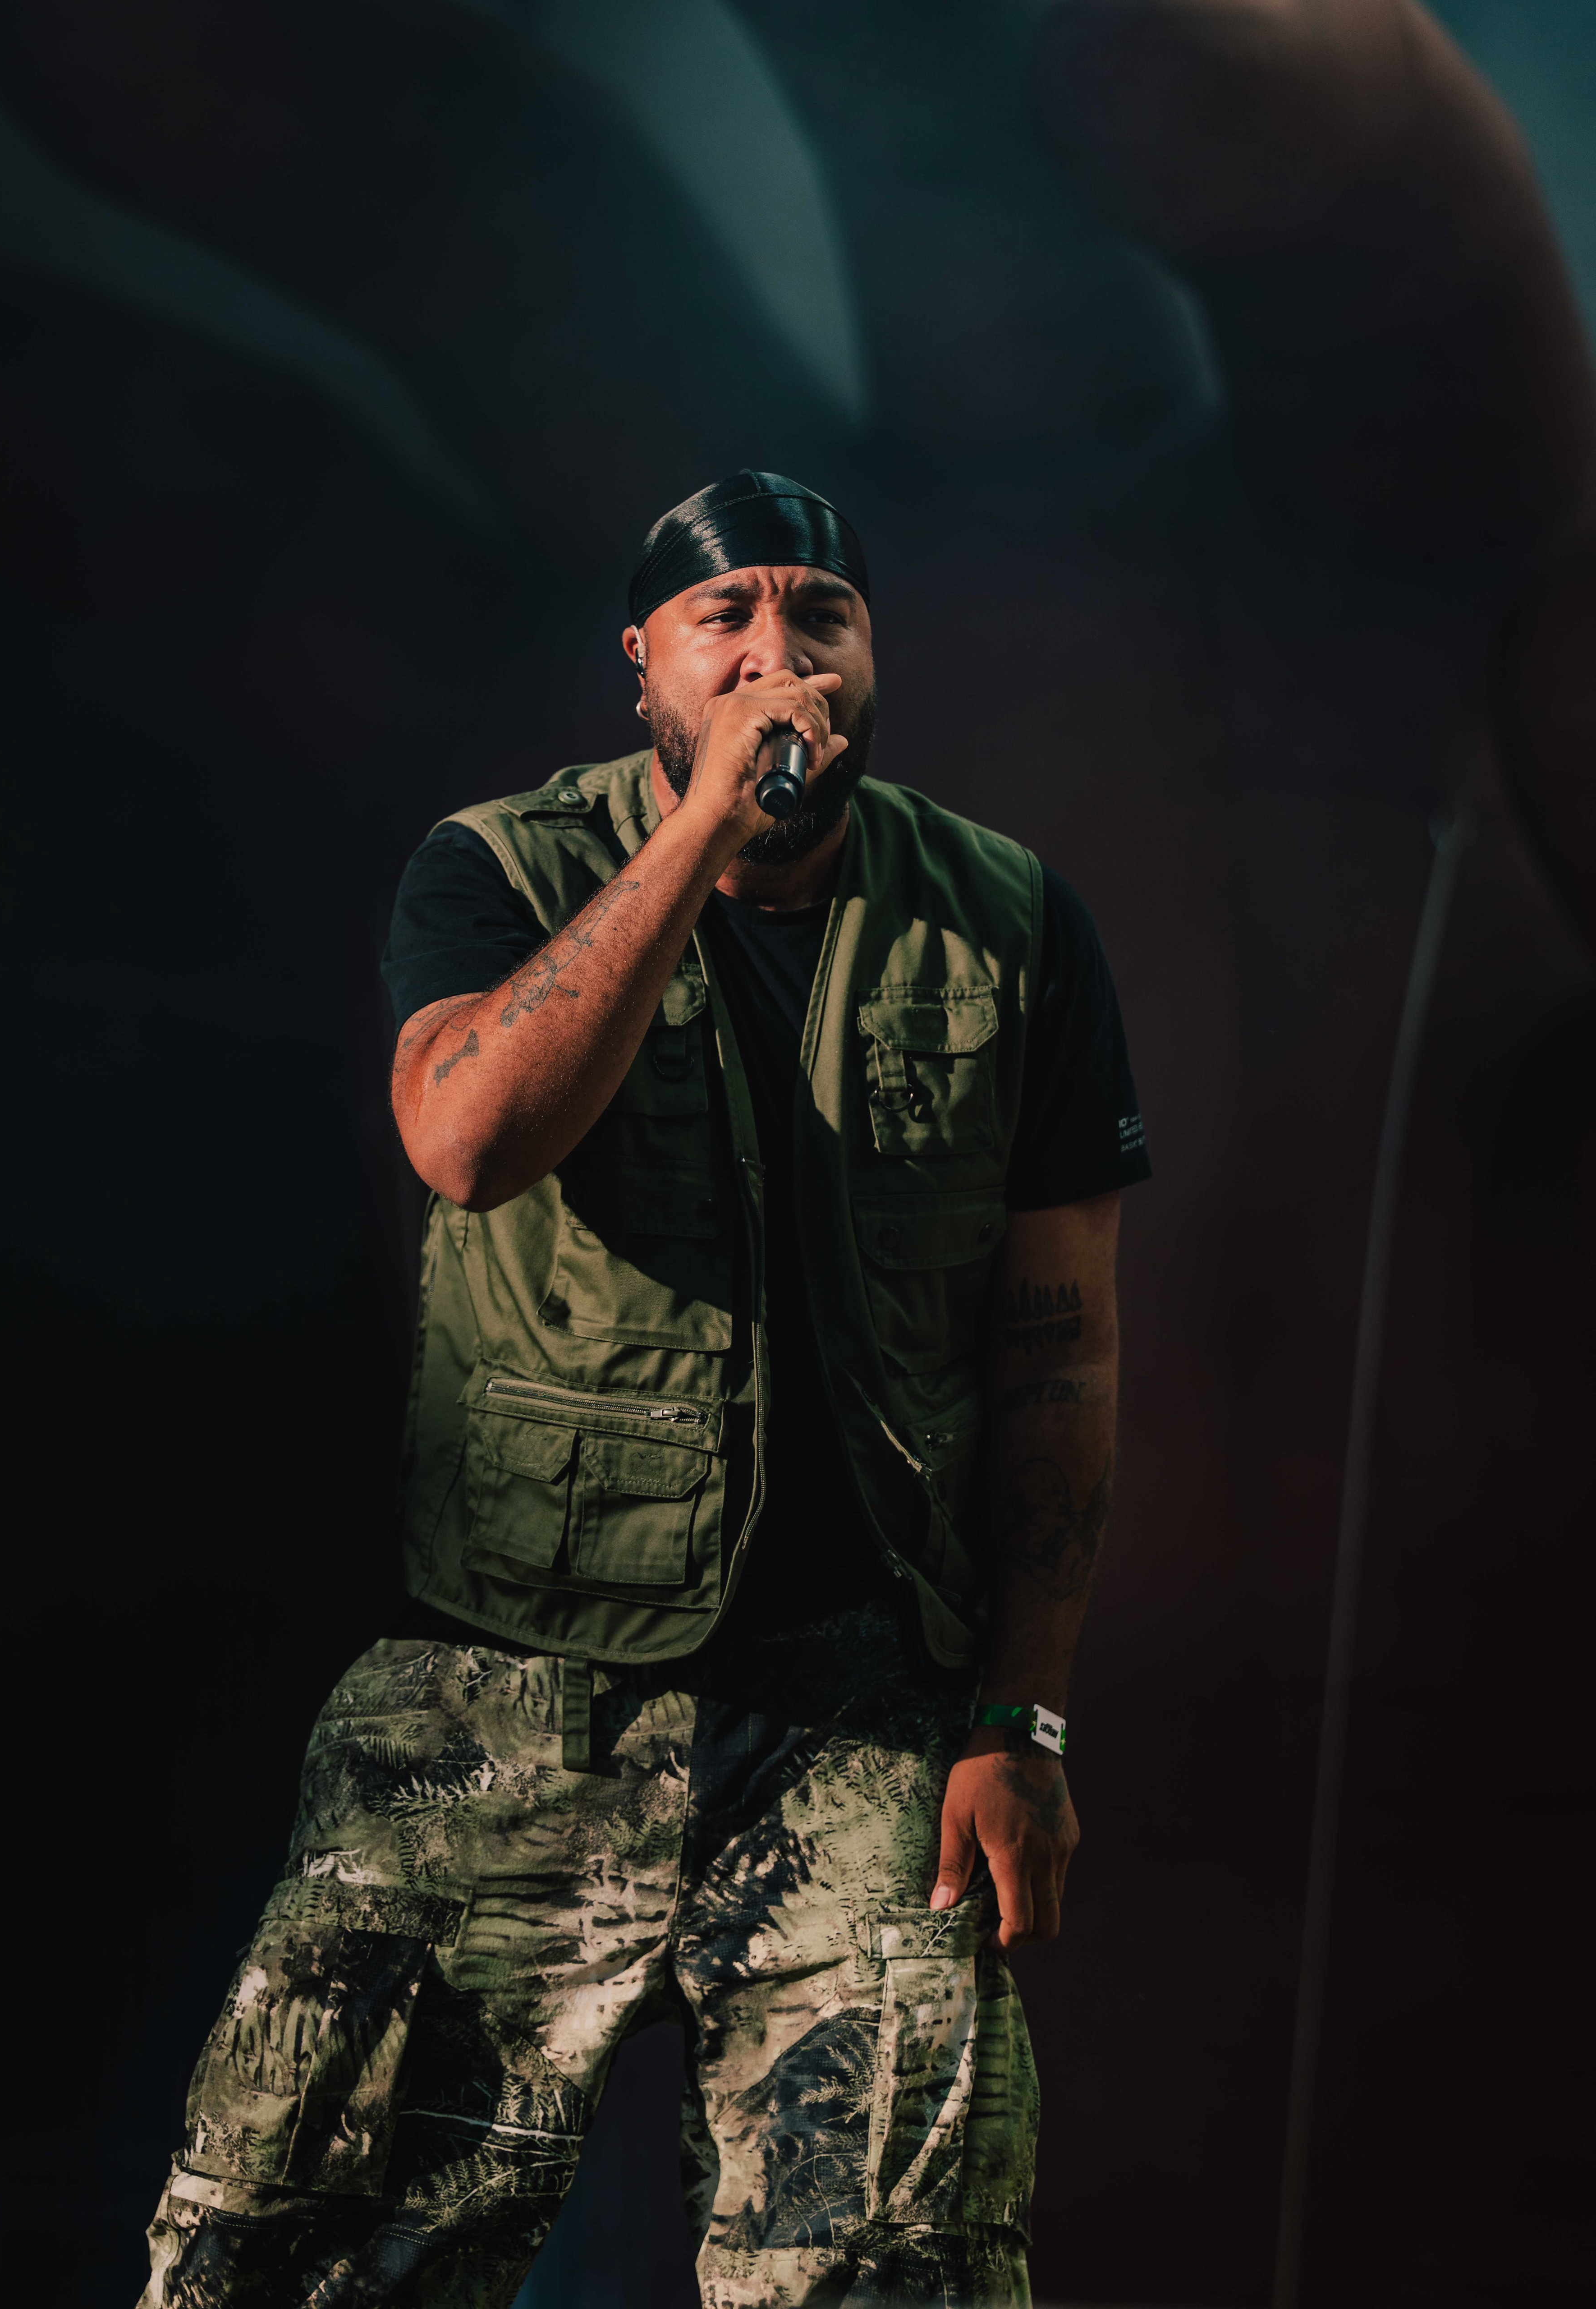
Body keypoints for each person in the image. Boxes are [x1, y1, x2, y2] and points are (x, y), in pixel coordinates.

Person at [138, 470, 1151, 2309]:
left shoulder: (1011, 919)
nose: (779, 653)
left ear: (872, 651)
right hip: (514, 1685)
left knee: (896, 2267)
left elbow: (1060, 1347)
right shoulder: (497, 869)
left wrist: (1026, 1716)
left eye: (822, 613)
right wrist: (698, 835)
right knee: (301, 2251)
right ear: (642, 664)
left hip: (863, 1709)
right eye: (726, 616)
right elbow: (467, 1138)